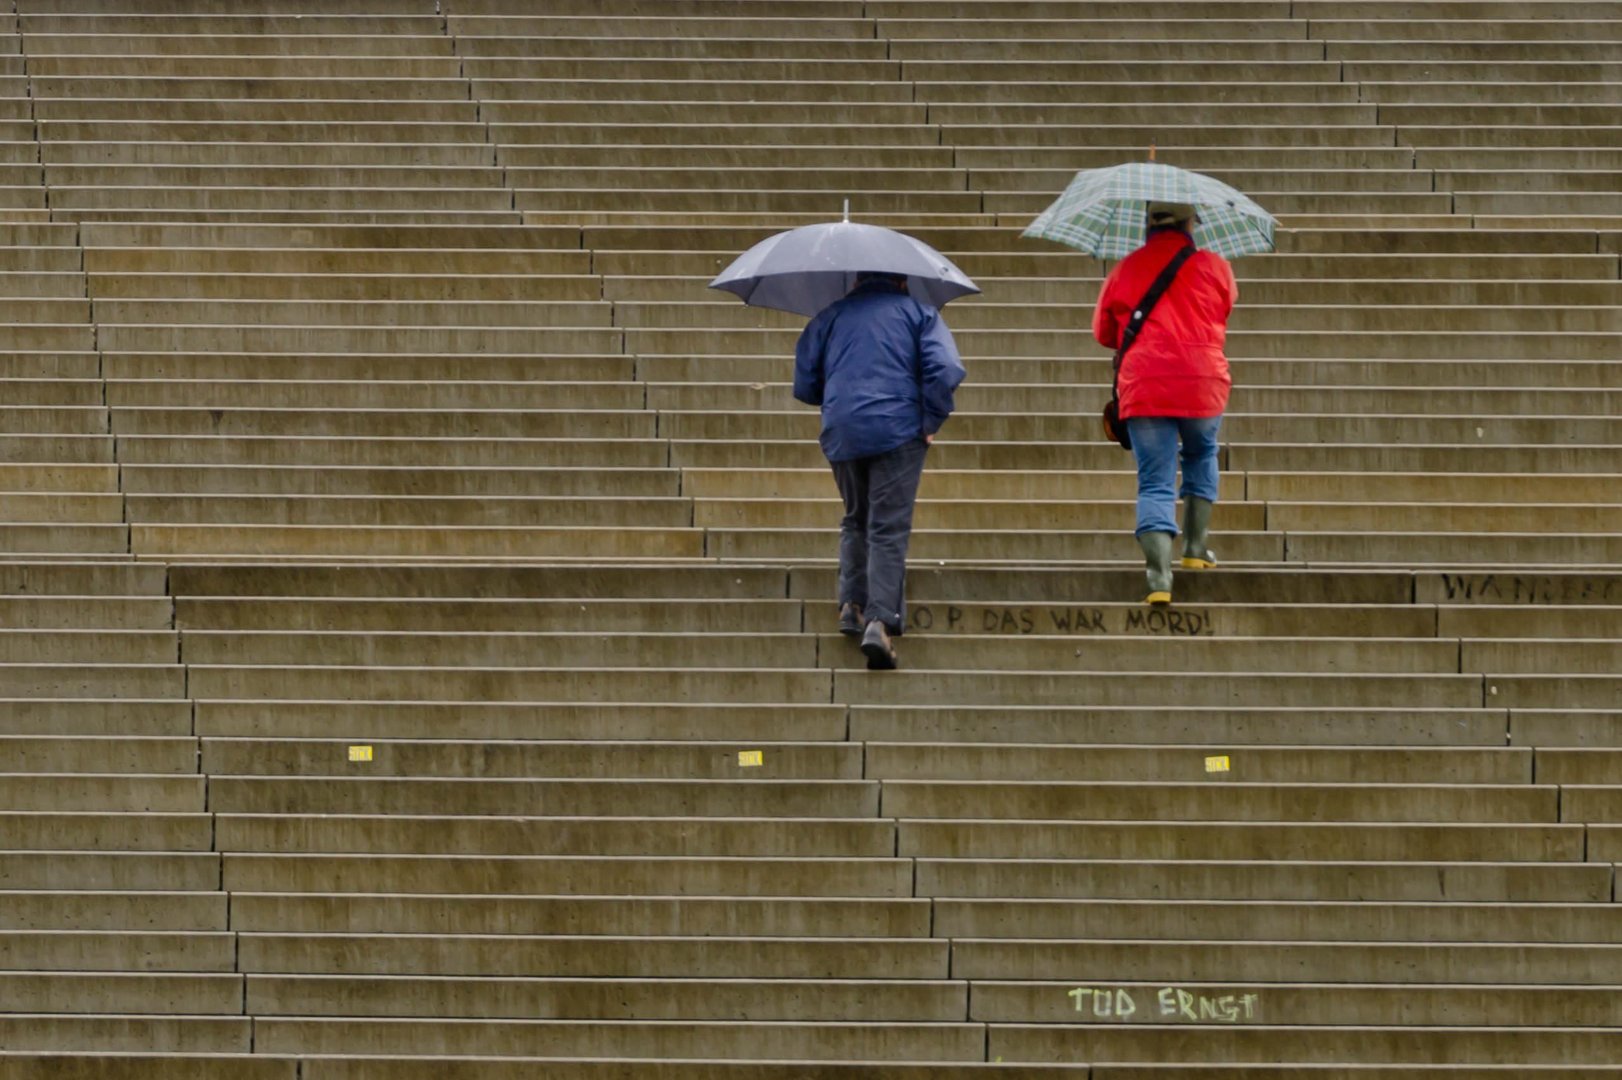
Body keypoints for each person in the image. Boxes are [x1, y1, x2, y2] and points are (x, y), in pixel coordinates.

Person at [793, 271, 966, 669]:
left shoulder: (830, 316)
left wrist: (842, 398)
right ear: (902, 279)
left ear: (856, 280)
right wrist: (930, 421)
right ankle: (880, 621)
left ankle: (850, 604)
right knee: (887, 526)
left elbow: (805, 382)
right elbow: (945, 368)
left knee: (856, 518)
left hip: (843, 430)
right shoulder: (919, 315)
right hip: (898, 429)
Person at [1092, 201, 1238, 606]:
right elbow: (1224, 310)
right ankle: (1195, 547)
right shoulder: (1215, 266)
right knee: (1202, 452)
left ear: (1147, 224)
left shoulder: (1125, 268)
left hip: (1147, 381)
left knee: (1154, 479)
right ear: (1192, 222)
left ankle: (1159, 576)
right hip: (1202, 377)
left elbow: (1103, 331)